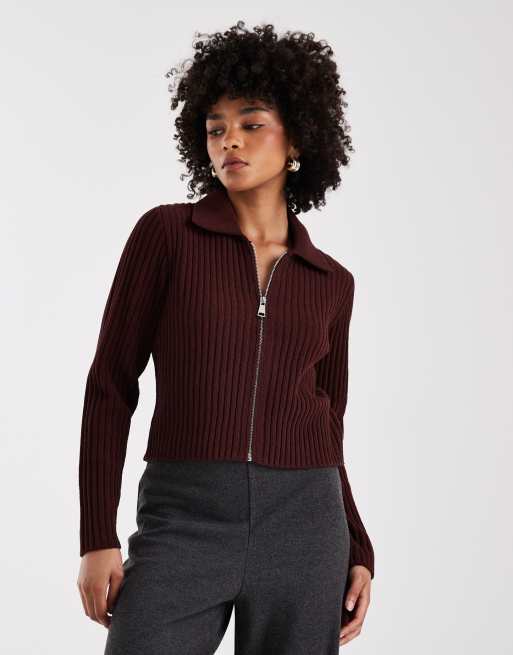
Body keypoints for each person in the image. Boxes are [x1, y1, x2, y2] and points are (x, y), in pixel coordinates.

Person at [77, 20, 375, 654]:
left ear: (298, 138)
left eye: (251, 123)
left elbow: (329, 424)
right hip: (183, 517)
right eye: (215, 128)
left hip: (305, 525)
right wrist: (96, 535)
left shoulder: (331, 282)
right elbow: (110, 384)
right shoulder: (167, 236)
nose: (229, 140)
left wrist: (358, 545)